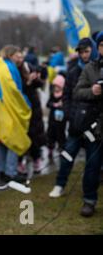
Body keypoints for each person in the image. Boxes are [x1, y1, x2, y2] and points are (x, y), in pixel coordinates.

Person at [47, 37, 99, 216]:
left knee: (92, 164)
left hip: (93, 127)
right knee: (67, 156)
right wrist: (70, 114)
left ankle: (89, 199)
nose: (84, 55)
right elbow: (67, 96)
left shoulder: (98, 69)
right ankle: (59, 184)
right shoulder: (72, 71)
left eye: (86, 51)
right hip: (76, 125)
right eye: (81, 51)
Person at [70, 33, 103, 217]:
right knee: (92, 164)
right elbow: (77, 92)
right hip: (95, 126)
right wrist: (93, 91)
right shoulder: (90, 68)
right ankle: (89, 201)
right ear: (98, 48)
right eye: (102, 45)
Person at [0, 45, 32, 184]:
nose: (20, 58)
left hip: (0, 108)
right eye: (17, 55)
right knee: (14, 140)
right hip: (10, 109)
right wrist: (24, 103)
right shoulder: (9, 68)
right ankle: (11, 172)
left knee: (2, 141)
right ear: (10, 55)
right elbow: (14, 90)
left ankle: (2, 171)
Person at [46, 74, 66, 162]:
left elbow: (67, 106)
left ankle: (62, 148)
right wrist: (54, 105)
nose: (56, 88)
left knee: (60, 134)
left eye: (58, 86)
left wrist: (62, 106)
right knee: (51, 134)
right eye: (55, 86)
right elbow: (48, 104)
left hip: (61, 120)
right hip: (52, 120)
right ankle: (50, 149)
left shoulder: (64, 96)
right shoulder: (52, 95)